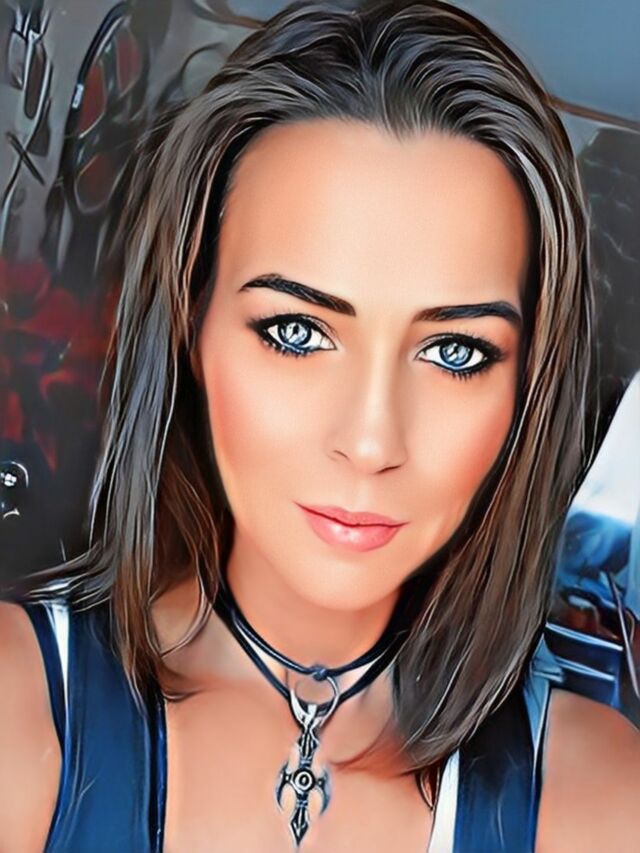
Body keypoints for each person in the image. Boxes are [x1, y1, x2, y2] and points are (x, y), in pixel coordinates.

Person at [1, 1, 639, 850]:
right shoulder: (20, 709)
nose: (370, 443)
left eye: (454, 352)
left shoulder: (601, 799)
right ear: (191, 327)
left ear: (527, 390)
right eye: (297, 332)